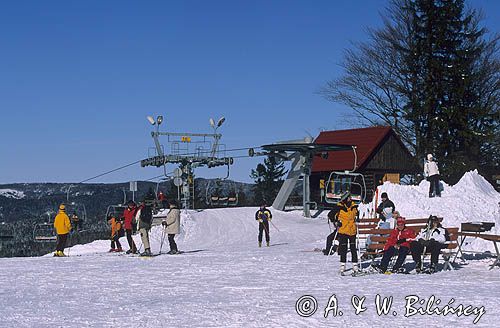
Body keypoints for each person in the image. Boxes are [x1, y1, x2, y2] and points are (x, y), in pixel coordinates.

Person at [336, 192, 360, 275]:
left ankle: (355, 265)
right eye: (349, 197)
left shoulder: (354, 206)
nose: (350, 198)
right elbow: (332, 215)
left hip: (352, 230)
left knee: (353, 248)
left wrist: (357, 219)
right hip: (343, 230)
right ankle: (342, 265)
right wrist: (337, 222)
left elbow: (357, 214)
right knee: (344, 248)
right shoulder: (340, 207)